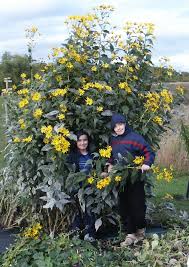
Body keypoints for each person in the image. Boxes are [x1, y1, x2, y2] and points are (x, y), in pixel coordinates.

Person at [107, 113, 155, 246]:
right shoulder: (113, 139)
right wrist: (110, 165)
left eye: (121, 124)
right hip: (121, 179)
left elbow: (149, 152)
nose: (118, 128)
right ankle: (130, 235)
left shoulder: (135, 138)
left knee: (137, 206)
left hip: (135, 177)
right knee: (124, 207)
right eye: (115, 126)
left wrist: (147, 163)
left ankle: (140, 232)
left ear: (125, 123)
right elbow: (112, 155)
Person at [67, 130, 96, 242]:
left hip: (90, 188)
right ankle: (75, 233)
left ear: (88, 141)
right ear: (76, 142)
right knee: (77, 211)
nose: (82, 143)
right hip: (77, 189)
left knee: (90, 211)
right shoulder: (73, 156)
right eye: (79, 140)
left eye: (85, 140)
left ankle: (90, 234)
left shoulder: (92, 155)